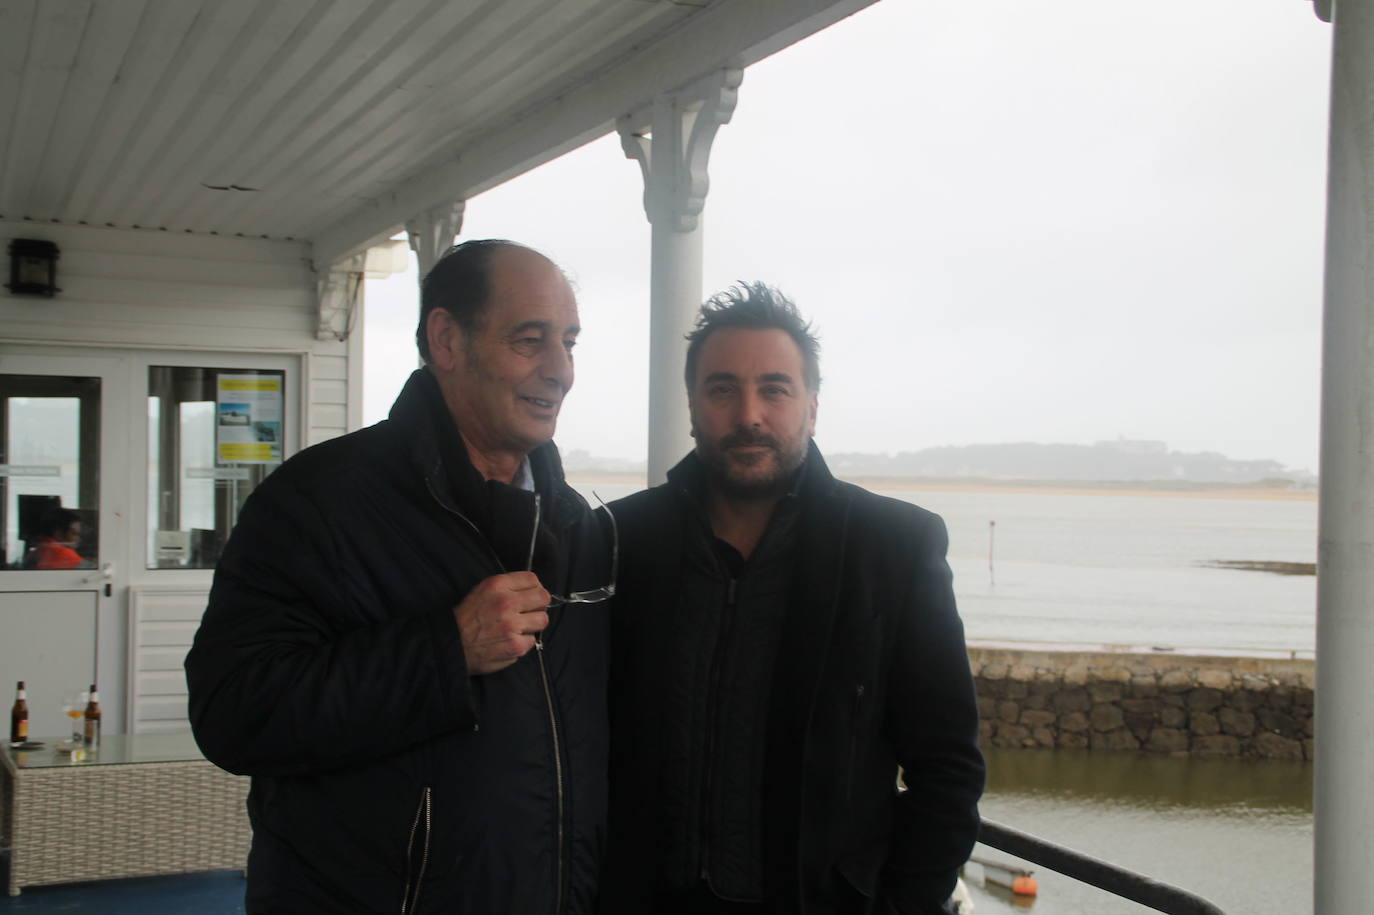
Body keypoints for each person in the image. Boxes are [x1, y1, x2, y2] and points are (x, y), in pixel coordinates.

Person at [186, 240, 612, 914]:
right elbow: (233, 710)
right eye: (531, 340)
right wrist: (445, 649)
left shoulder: (579, 527)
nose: (560, 369)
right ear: (446, 339)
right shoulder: (318, 501)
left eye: (569, 341)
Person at [599, 283, 984, 915]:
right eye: (723, 389)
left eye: (774, 389)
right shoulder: (621, 539)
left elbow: (947, 767)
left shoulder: (893, 547)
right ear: (692, 404)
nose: (749, 414)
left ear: (811, 407)